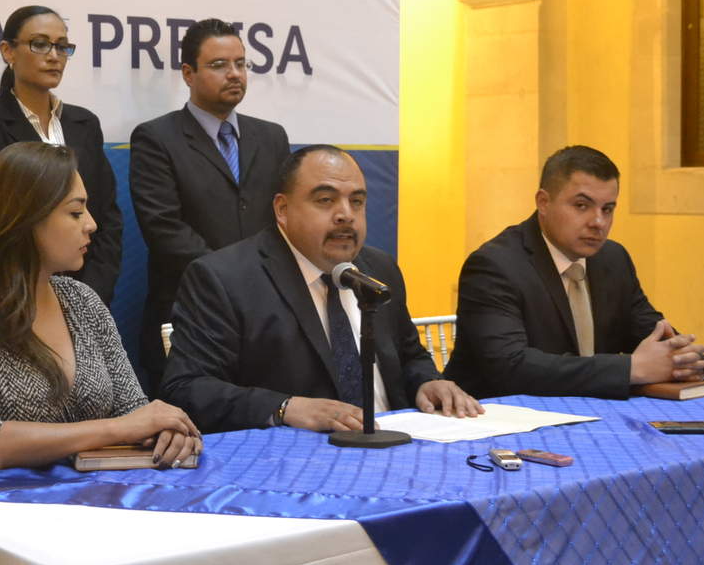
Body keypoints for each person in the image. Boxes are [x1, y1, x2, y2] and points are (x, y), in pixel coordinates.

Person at [161, 145, 481, 434]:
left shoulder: (379, 269)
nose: (346, 215)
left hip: (393, 441)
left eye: (357, 202)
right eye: (325, 200)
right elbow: (186, 388)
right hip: (294, 460)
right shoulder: (225, 278)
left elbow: (410, 355)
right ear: (282, 210)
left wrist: (428, 381)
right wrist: (285, 408)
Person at [0, 142, 199, 470]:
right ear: (25, 218)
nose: (91, 224)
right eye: (75, 212)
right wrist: (117, 429)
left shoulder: (82, 301)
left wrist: (165, 431)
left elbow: (133, 410)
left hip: (89, 492)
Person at [445, 145, 704, 399]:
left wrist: (686, 362)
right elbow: (510, 367)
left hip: (590, 412)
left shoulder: (613, 259)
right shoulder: (495, 266)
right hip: (497, 418)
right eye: (582, 206)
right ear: (543, 202)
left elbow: (655, 334)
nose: (598, 222)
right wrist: (631, 368)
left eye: (607, 209)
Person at [130, 18, 291, 381]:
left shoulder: (271, 138)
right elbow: (164, 229)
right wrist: (232, 279)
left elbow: (285, 219)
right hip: (191, 312)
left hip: (266, 316)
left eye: (240, 63)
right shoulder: (156, 138)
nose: (234, 74)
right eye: (219, 65)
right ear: (189, 73)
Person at [0, 6, 122, 303]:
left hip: (90, 289)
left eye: (62, 46)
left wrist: (93, 293)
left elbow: (107, 216)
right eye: (40, 44)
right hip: (21, 295)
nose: (54, 56)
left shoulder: (85, 123)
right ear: (8, 51)